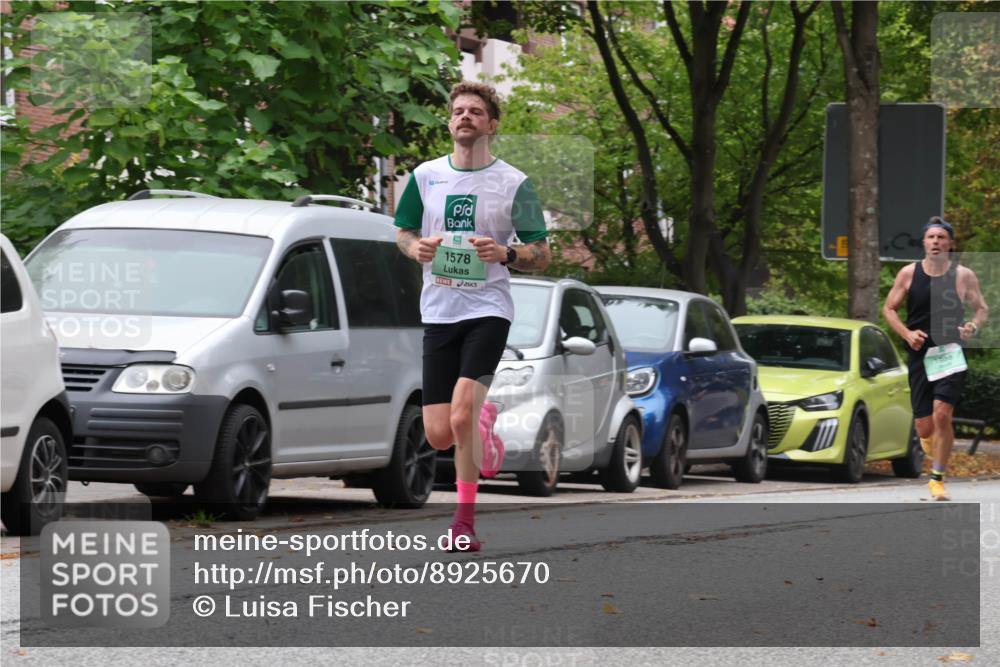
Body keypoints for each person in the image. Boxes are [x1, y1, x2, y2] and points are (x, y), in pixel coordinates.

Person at [394, 81, 550, 550]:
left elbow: (541, 253)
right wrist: (414, 247)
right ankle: (481, 423)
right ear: (450, 122)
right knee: (439, 435)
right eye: (458, 111)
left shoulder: (514, 183)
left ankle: (463, 526)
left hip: (488, 310)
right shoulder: (425, 177)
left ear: (492, 124)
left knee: (460, 415)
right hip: (438, 311)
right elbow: (402, 233)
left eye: (476, 112)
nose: (465, 117)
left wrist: (505, 252)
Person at [883, 217, 988, 501]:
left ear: (950, 244)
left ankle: (937, 478)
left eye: (942, 238)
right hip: (919, 350)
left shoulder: (963, 275)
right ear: (924, 243)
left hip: (949, 350)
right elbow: (889, 309)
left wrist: (972, 327)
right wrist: (906, 334)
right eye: (931, 237)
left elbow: (981, 309)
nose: (936, 242)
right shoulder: (908, 273)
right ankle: (934, 446)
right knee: (924, 426)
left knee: (943, 413)